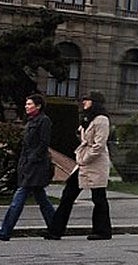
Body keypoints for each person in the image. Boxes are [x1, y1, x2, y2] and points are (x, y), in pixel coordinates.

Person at [0, 94, 56, 241]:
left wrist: (31, 160)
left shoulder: (44, 121)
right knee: (42, 199)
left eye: (29, 104)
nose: (26, 106)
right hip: (28, 165)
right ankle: (55, 228)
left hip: (35, 167)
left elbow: (43, 144)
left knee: (18, 199)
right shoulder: (31, 121)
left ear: (38, 106)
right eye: (26, 104)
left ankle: (5, 231)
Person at [46, 92, 114, 240]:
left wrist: (84, 158)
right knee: (68, 194)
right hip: (83, 163)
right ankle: (56, 230)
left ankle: (102, 231)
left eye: (87, 100)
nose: (84, 102)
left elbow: (99, 145)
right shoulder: (87, 119)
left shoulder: (102, 120)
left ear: (95, 102)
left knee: (98, 197)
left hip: (95, 164)